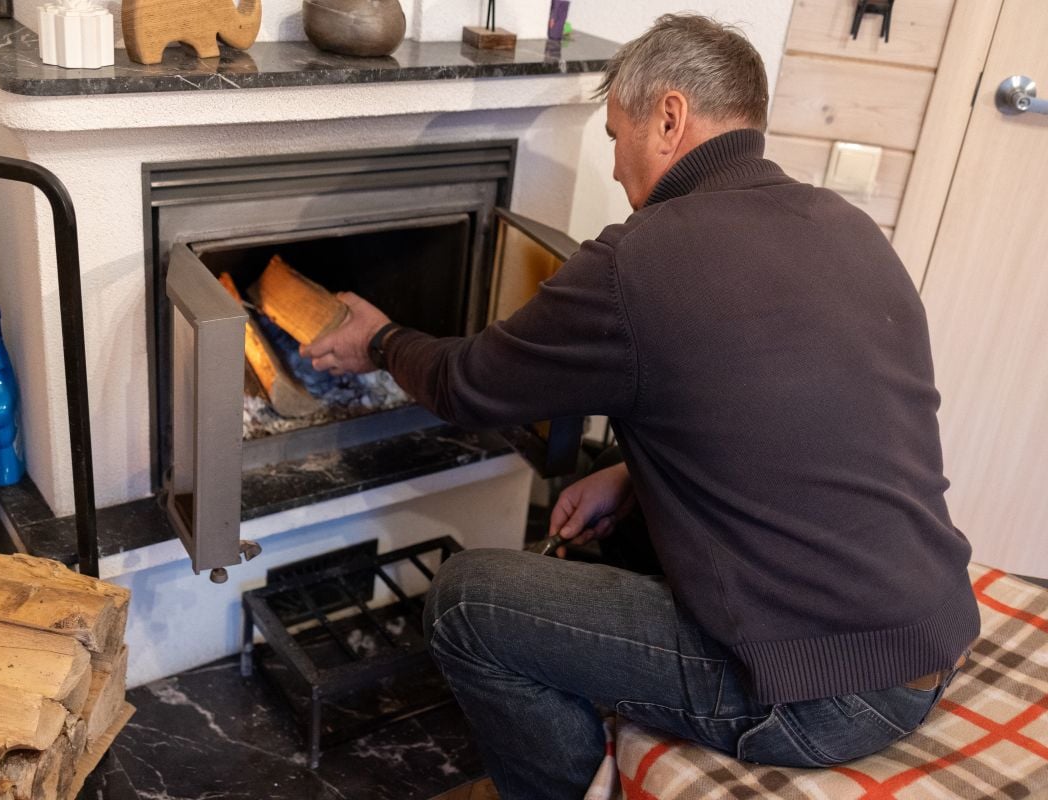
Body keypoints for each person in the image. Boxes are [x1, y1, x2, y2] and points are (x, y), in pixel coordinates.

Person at [301, 13, 980, 799]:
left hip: (822, 696)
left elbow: (470, 387)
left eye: (618, 135)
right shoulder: (849, 227)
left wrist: (381, 340)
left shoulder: (642, 258)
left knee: (468, 600)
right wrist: (629, 471)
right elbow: (790, 419)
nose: (617, 168)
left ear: (669, 117)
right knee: (617, 523)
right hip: (929, 640)